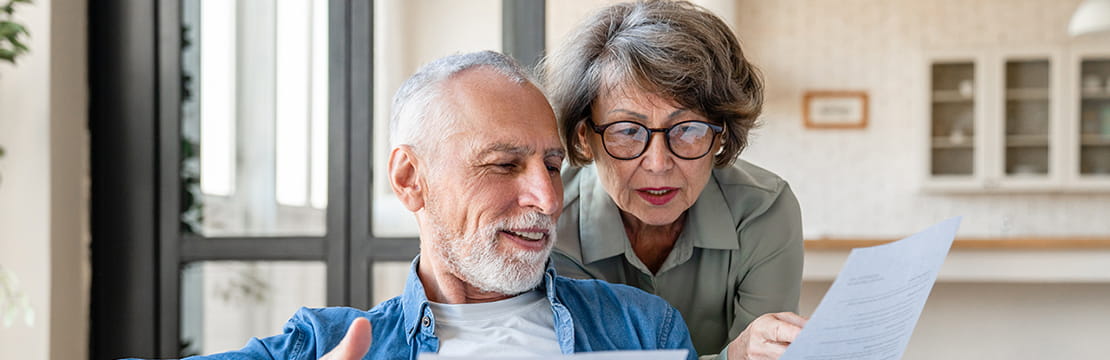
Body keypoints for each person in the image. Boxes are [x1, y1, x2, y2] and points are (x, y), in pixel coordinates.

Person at [144, 51, 698, 360]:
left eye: (552, 166)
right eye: (504, 164)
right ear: (410, 180)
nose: (548, 199)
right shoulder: (323, 345)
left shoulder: (643, 329)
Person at [542, 1, 806, 359]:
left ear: (721, 134)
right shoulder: (550, 220)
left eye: (688, 129)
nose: (658, 164)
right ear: (584, 136)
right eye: (627, 131)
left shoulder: (764, 209)